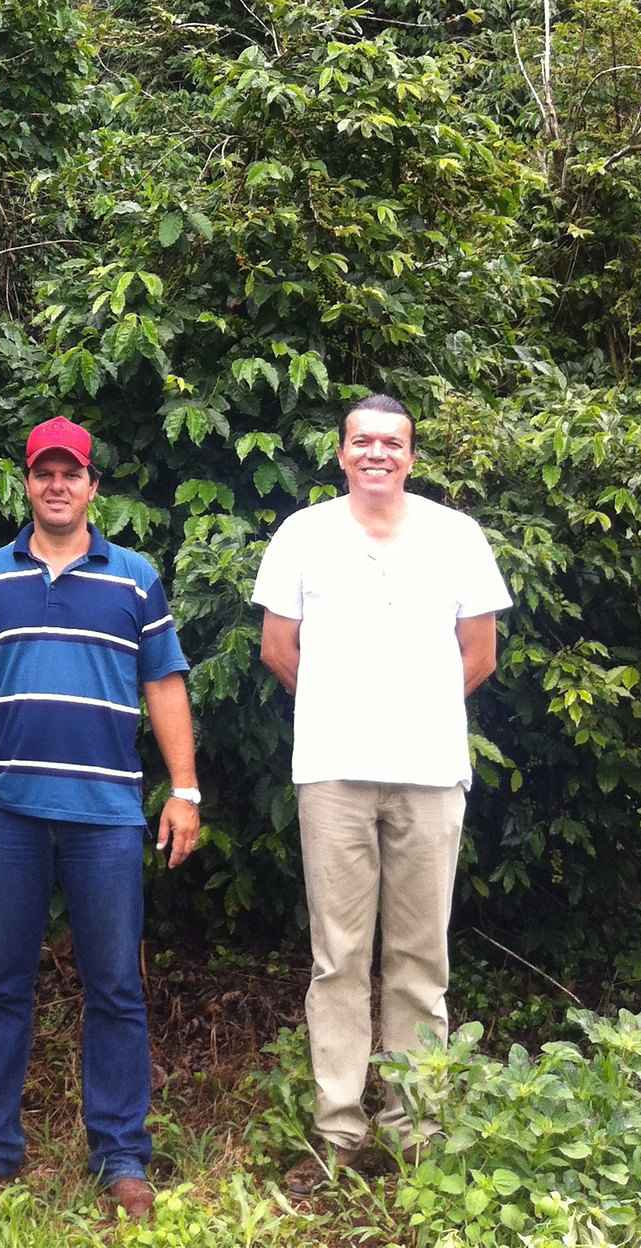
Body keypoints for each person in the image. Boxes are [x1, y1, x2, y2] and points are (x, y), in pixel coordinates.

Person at [0, 416, 201, 1220]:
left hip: (108, 815)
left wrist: (185, 789)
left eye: (69, 473)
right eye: (43, 473)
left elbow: (166, 687)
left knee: (114, 987)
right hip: (9, 810)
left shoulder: (135, 578)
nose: (56, 485)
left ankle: (119, 1152)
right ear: (27, 482)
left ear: (90, 485)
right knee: (0, 984)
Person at [251, 394, 512, 1185]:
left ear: (411, 455)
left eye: (391, 443)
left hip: (432, 774)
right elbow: (277, 648)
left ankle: (414, 1131)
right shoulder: (303, 534)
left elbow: (481, 652)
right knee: (337, 958)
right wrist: (345, 712)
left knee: (419, 957)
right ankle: (338, 1130)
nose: (376, 454)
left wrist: (415, 714)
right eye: (361, 441)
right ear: (340, 454)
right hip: (332, 773)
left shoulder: (455, 536)